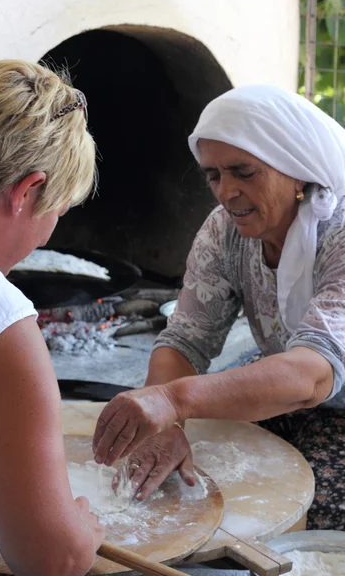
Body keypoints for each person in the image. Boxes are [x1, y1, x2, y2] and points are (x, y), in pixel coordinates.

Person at [93, 84, 345, 530]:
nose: (226, 192)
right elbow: (186, 338)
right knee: (202, 484)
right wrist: (167, 429)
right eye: (213, 176)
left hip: (324, 398)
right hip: (287, 392)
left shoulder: (338, 234)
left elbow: (311, 375)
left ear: (297, 169)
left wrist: (171, 400)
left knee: (308, 516)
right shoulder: (226, 231)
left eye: (244, 172)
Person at [0, 60, 104, 576]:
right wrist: (81, 530)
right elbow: (50, 559)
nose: (48, 230)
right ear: (26, 191)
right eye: (57, 208)